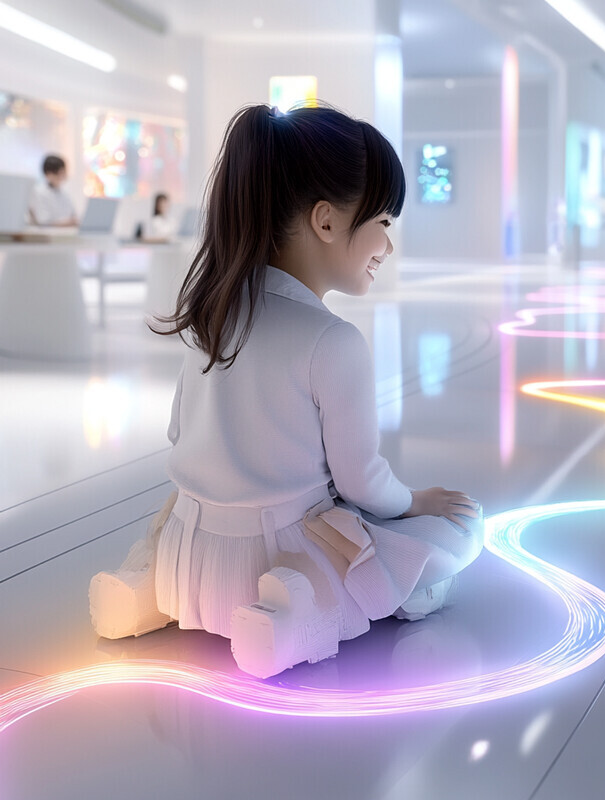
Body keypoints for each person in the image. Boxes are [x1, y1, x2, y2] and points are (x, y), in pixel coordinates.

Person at [89, 103, 484, 679]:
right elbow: (361, 483)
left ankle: (144, 591)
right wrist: (414, 501)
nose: (388, 247)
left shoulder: (211, 316)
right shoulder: (332, 341)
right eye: (385, 223)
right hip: (284, 554)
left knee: (183, 520)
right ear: (326, 222)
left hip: (188, 547)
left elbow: (180, 434)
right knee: (459, 528)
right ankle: (287, 617)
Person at [29, 154, 78, 227]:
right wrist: (68, 222)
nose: (62, 177)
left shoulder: (65, 193)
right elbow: (43, 222)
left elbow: (74, 216)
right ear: (48, 174)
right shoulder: (38, 192)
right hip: (47, 235)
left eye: (63, 173)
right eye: (59, 173)